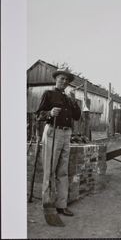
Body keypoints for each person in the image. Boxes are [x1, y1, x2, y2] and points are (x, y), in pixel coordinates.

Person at [36, 67, 81, 216]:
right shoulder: (48, 94)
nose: (64, 81)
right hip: (52, 133)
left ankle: (61, 205)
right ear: (56, 79)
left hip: (66, 134)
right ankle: (48, 205)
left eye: (66, 80)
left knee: (63, 171)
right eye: (61, 78)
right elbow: (39, 115)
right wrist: (49, 113)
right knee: (50, 170)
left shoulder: (69, 98)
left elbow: (77, 116)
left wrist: (74, 100)